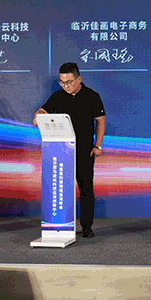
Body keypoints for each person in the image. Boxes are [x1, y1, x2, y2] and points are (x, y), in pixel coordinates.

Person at [34, 63, 106, 238]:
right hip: (61, 151)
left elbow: (101, 121)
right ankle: (62, 224)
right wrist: (39, 117)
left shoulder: (92, 96)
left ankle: (87, 226)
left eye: (69, 82)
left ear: (79, 79)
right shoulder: (57, 96)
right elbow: (40, 112)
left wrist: (98, 145)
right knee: (61, 188)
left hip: (85, 150)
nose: (65, 86)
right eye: (62, 82)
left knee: (86, 189)